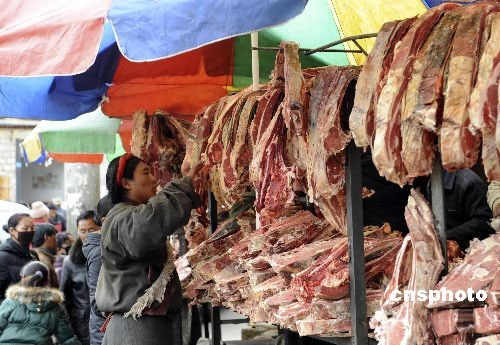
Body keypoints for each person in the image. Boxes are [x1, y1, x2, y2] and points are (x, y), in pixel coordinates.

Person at [96, 153, 200, 345]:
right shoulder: (120, 218)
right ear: (126, 183)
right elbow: (148, 223)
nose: (154, 178)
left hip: (142, 324)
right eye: (146, 173)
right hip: (135, 327)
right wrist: (184, 186)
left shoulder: (124, 215)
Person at [0, 261, 81, 345]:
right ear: (47, 281)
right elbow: (68, 338)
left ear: (23, 277)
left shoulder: (11, 302)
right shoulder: (54, 308)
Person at [426, 169, 495, 251]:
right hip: (445, 249)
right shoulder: (427, 179)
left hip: (475, 252)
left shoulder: (468, 182)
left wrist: (444, 237)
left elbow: (485, 221)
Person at [61, 211, 99, 345]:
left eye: (91, 230)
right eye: (83, 231)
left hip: (105, 321)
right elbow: (63, 299)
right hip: (81, 324)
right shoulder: (70, 262)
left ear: (100, 229)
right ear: (77, 231)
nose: (87, 235)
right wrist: (70, 330)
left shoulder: (109, 257)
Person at [83, 195, 114, 345]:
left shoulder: (112, 246)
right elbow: (97, 304)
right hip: (104, 334)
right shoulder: (98, 253)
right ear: (105, 221)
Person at [0, 213, 38, 301]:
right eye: (25, 228)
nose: (30, 231)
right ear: (12, 231)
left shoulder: (33, 254)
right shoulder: (2, 257)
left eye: (32, 228)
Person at [32, 223, 59, 288]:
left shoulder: (35, 256)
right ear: (46, 237)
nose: (56, 240)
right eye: (55, 236)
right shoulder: (43, 262)